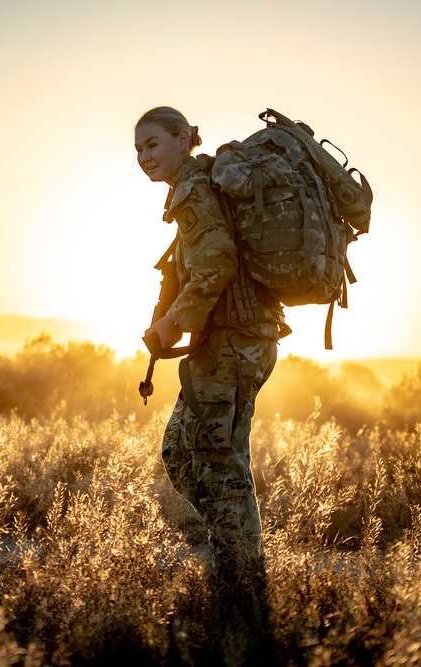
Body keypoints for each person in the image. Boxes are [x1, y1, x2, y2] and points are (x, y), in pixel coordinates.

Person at [134, 106, 287, 656]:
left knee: (220, 463)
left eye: (153, 144)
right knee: (181, 452)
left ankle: (243, 586)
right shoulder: (192, 190)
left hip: (234, 342)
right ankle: (235, 557)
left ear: (182, 140)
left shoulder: (196, 189)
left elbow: (217, 260)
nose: (145, 157)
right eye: (138, 151)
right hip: (222, 343)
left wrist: (172, 324)